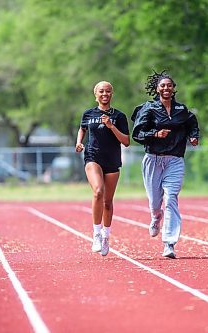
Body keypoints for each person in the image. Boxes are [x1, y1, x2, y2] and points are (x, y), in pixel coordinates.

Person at [131, 70, 199, 259]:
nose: (166, 88)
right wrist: (154, 134)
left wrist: (194, 136)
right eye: (163, 85)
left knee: (171, 199)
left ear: (174, 88)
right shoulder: (148, 108)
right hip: (153, 159)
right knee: (155, 201)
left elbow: (192, 123)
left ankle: (169, 243)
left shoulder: (181, 110)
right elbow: (137, 134)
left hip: (175, 160)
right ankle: (155, 216)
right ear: (157, 89)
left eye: (169, 85)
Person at [75, 81, 130, 256]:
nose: (104, 94)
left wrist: (111, 126)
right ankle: (96, 234)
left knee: (107, 202)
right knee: (98, 191)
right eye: (101, 91)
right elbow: (82, 128)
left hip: (112, 160)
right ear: (95, 94)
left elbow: (126, 142)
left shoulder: (119, 116)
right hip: (93, 156)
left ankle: (106, 235)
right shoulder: (88, 113)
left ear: (112, 94)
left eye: (108, 91)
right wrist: (79, 142)